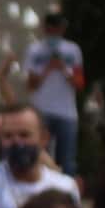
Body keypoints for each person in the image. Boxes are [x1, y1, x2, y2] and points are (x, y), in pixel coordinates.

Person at [22, 9, 84, 174]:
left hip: (67, 112)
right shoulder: (34, 50)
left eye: (58, 28)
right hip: (41, 110)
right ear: (45, 28)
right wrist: (47, 69)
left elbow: (79, 83)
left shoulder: (73, 50)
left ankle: (67, 188)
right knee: (41, 157)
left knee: (67, 160)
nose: (54, 32)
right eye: (51, 28)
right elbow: (30, 85)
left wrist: (63, 69)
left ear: (62, 29)